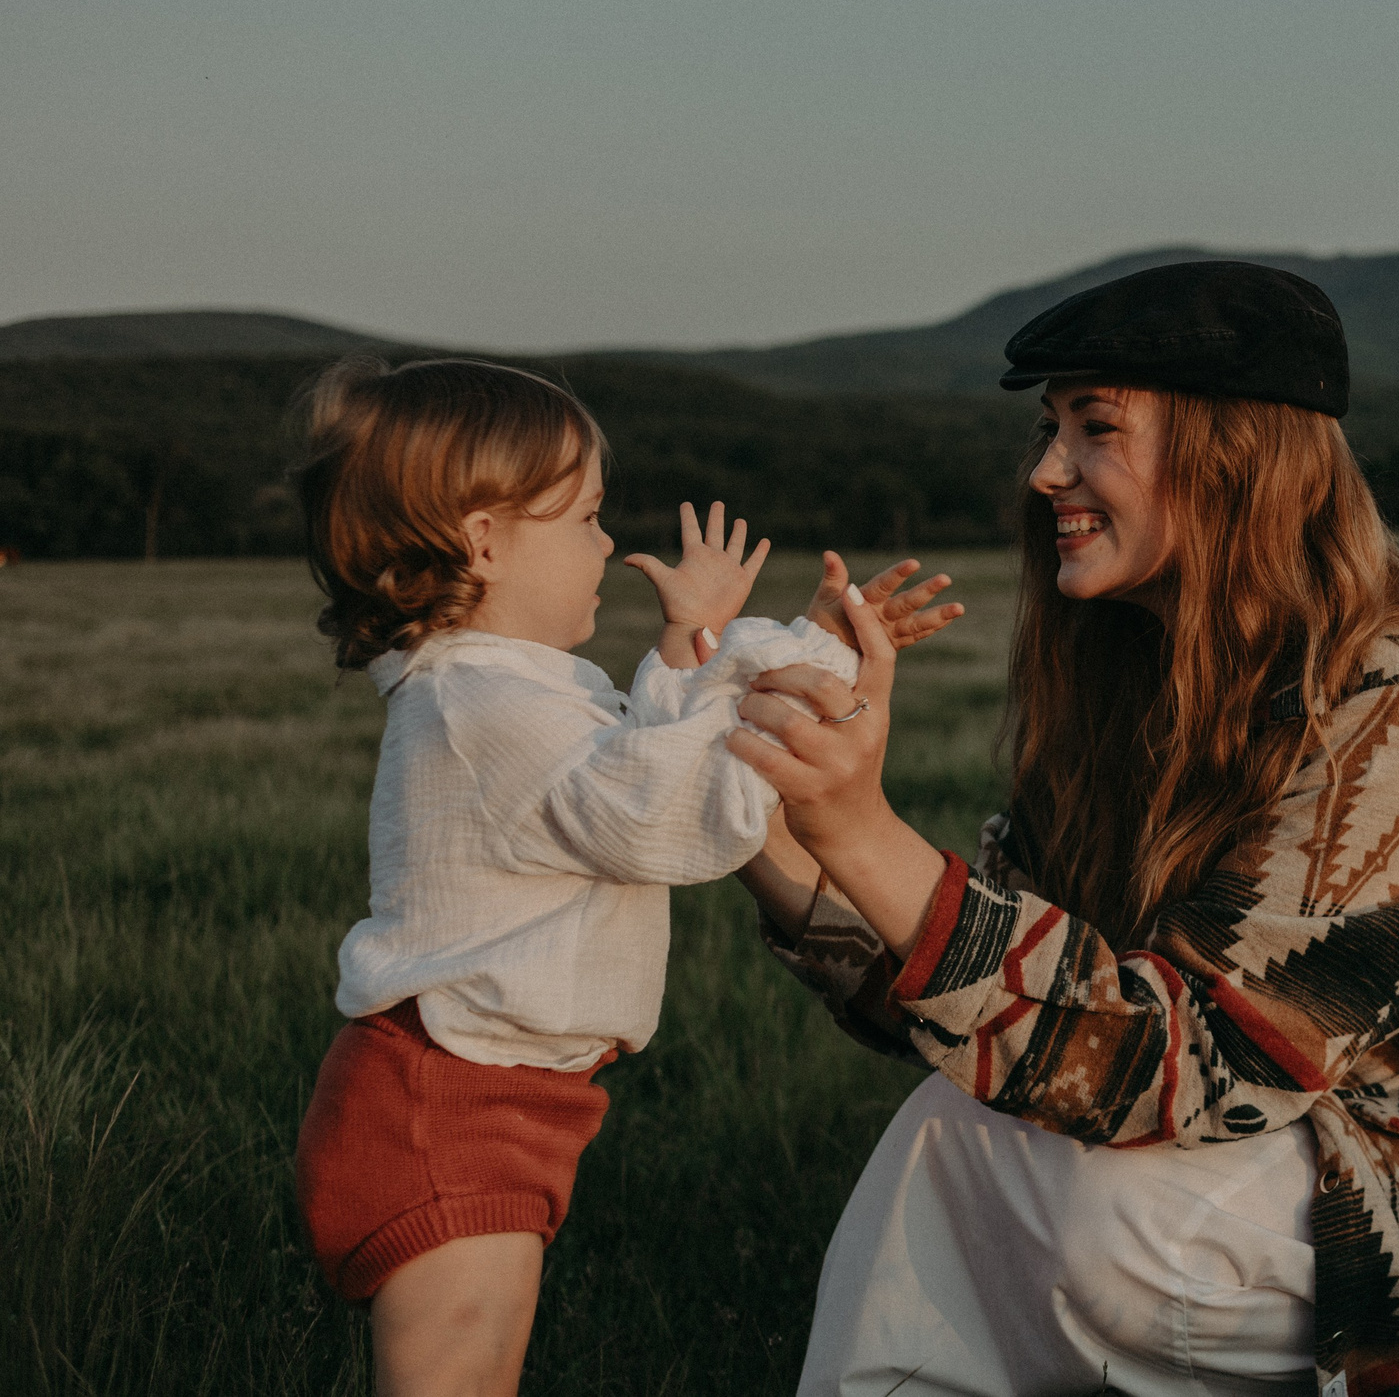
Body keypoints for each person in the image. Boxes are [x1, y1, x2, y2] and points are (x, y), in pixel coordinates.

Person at [729, 262, 1399, 1397]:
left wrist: (862, 829)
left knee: (1075, 1208)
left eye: (1095, 428)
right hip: (1306, 1139)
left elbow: (1197, 1063)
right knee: (970, 1127)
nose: (1045, 472)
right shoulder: (1128, 687)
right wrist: (759, 821)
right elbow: (1001, 1014)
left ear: (1236, 458)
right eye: (1047, 429)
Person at [288, 355, 955, 1397]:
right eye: (587, 518)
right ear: (483, 541)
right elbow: (655, 815)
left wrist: (712, 648)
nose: (607, 543)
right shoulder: (479, 704)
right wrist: (799, 662)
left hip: (491, 1095)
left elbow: (639, 756)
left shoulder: (511, 688)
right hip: (449, 1106)